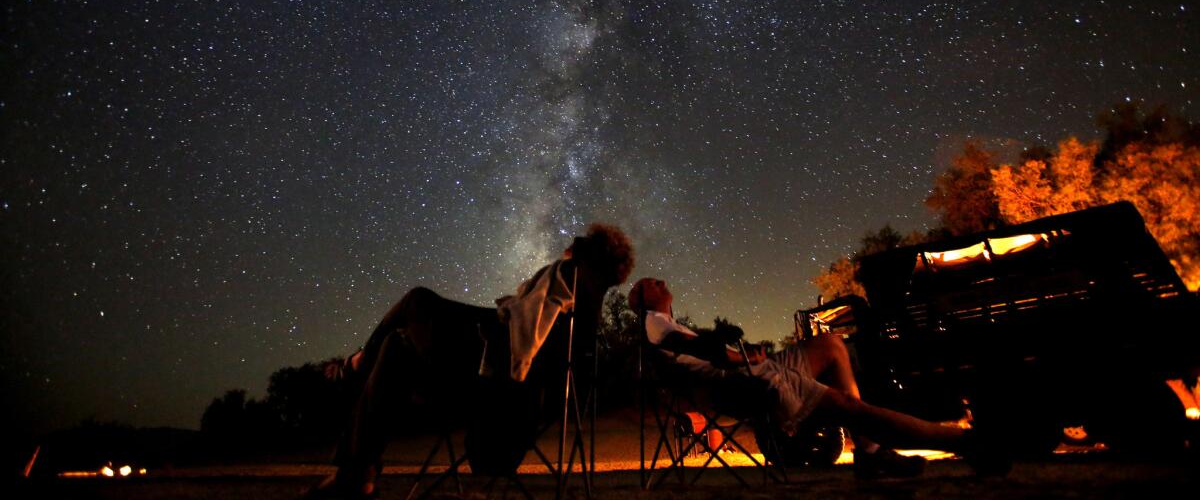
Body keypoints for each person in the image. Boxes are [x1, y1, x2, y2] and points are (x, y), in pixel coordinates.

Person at [305, 224, 635, 499]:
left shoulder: (569, 279)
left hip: (492, 384)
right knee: (394, 346)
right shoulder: (583, 308)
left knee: (417, 300)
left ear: (586, 251)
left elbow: (519, 334)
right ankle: (358, 474)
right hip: (491, 381)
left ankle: (357, 367)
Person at [628, 277, 1010, 478]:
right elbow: (701, 352)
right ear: (643, 300)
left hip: (751, 370)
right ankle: (967, 443)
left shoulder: (665, 322)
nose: (659, 282)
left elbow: (700, 351)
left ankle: (869, 452)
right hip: (746, 385)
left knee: (831, 344)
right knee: (849, 407)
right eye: (651, 283)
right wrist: (735, 355)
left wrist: (746, 354)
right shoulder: (654, 323)